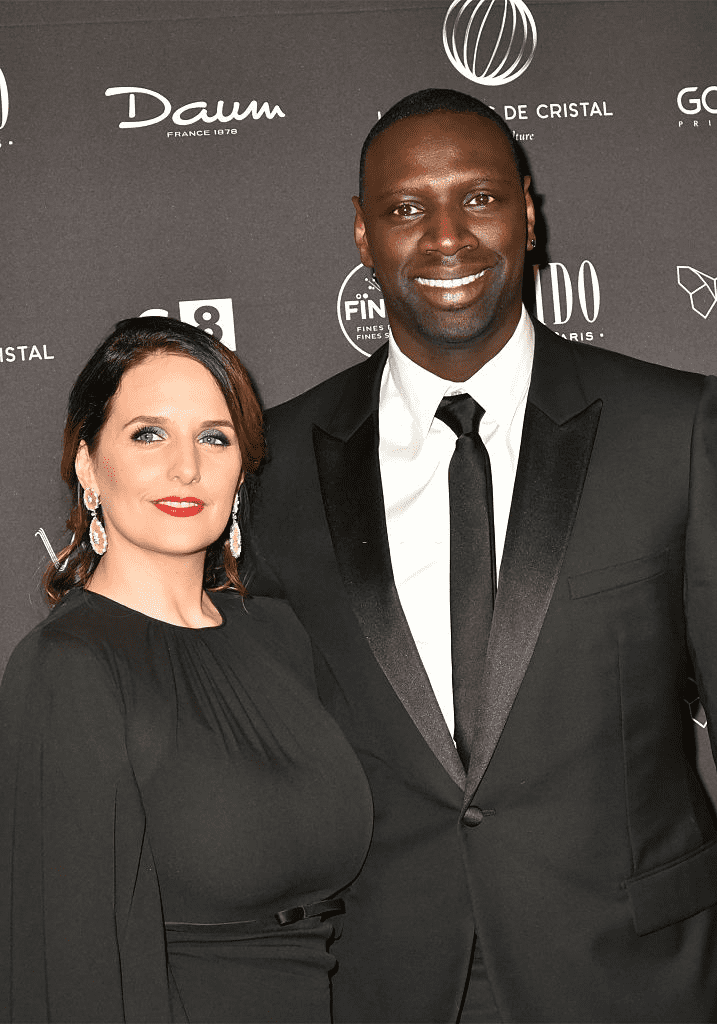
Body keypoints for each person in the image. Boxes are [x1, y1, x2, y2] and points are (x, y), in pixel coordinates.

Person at [252, 88, 717, 1022]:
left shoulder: (676, 429)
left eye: (478, 197)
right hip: (381, 982)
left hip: (637, 979)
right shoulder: (273, 465)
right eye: (404, 208)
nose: (445, 236)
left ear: (528, 209)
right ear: (360, 233)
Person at [0, 316, 372, 1024]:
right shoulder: (68, 669)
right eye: (148, 434)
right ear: (88, 465)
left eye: (213, 436)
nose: (185, 468)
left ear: (242, 468)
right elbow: (70, 970)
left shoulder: (278, 634)